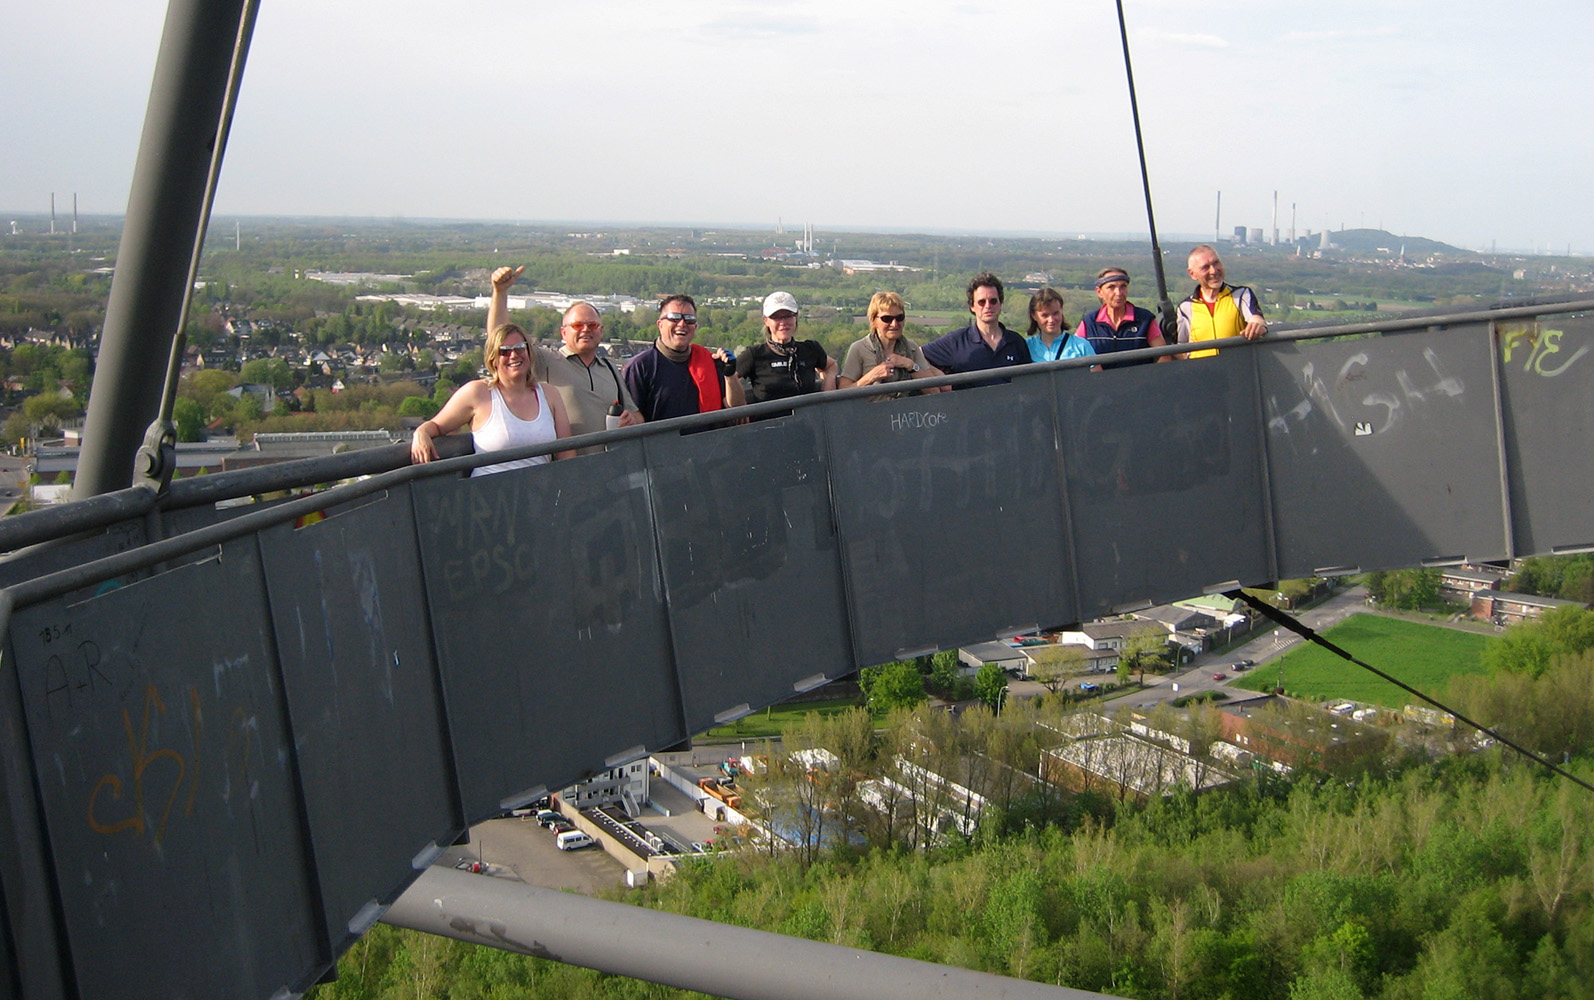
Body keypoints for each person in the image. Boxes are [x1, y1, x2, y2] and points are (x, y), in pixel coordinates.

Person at [486, 265, 641, 456]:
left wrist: (631, 421)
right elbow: (501, 340)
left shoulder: (610, 369)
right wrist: (500, 293)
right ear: (563, 332)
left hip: (611, 467)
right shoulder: (546, 361)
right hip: (564, 470)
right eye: (577, 325)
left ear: (601, 331)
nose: (585, 330)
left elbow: (637, 416)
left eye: (592, 325)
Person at [410, 321, 575, 474]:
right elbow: (437, 426)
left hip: (538, 496)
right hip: (491, 498)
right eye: (504, 351)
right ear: (493, 359)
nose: (513, 355)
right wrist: (421, 433)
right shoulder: (477, 393)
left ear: (529, 352)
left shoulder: (549, 394)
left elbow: (566, 455)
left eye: (519, 348)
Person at [622, 294, 745, 423]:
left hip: (708, 440)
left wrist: (730, 375)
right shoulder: (639, 367)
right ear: (660, 325)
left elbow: (738, 410)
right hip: (662, 442)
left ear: (695, 327)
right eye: (674, 318)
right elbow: (632, 418)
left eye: (689, 319)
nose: (682, 324)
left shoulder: (709, 361)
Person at [922, 272, 1032, 387]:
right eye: (981, 302)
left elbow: (1028, 382)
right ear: (972, 306)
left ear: (1000, 304)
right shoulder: (956, 341)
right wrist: (940, 377)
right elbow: (917, 353)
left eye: (993, 301)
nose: (988, 306)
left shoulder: (1016, 342)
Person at [734, 291, 838, 405]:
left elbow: (831, 365)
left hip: (808, 420)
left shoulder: (810, 349)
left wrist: (828, 390)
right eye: (776, 317)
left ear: (796, 317)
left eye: (788, 316)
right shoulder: (754, 355)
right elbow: (729, 376)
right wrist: (739, 405)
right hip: (771, 421)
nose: (783, 323)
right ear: (766, 320)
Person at [839, 291, 947, 398]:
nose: (894, 324)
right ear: (873, 320)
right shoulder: (859, 349)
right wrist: (871, 376)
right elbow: (843, 392)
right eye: (887, 319)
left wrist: (910, 365)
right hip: (872, 412)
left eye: (899, 318)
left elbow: (933, 390)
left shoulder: (911, 348)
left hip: (906, 413)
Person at [1174, 245, 1267, 359]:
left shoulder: (1241, 295)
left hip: (1237, 370)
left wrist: (1257, 326)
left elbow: (1256, 319)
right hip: (1201, 372)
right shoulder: (1185, 307)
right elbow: (1182, 347)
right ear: (1193, 274)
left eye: (1216, 263)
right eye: (1205, 267)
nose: (1213, 270)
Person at [1074, 267, 1169, 369]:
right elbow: (1074, 353)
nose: (1119, 293)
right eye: (1111, 287)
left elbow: (1164, 355)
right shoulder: (1089, 322)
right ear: (1099, 292)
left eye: (1123, 286)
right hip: (1100, 382)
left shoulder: (1144, 319)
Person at [1024, 287, 1097, 364]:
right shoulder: (1025, 347)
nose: (1051, 320)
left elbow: (1096, 375)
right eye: (1045, 315)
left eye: (1055, 313)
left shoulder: (1081, 346)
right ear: (1034, 316)